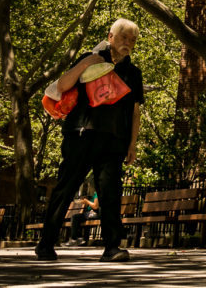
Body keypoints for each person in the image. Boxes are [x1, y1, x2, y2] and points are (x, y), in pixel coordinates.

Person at [34, 19, 144, 263]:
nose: (129, 43)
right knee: (65, 188)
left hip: (114, 140)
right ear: (111, 36)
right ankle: (46, 244)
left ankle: (112, 248)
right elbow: (61, 86)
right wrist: (85, 63)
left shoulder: (133, 73)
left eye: (133, 40)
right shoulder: (90, 57)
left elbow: (135, 111)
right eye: (124, 37)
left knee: (110, 194)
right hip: (81, 134)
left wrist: (132, 144)